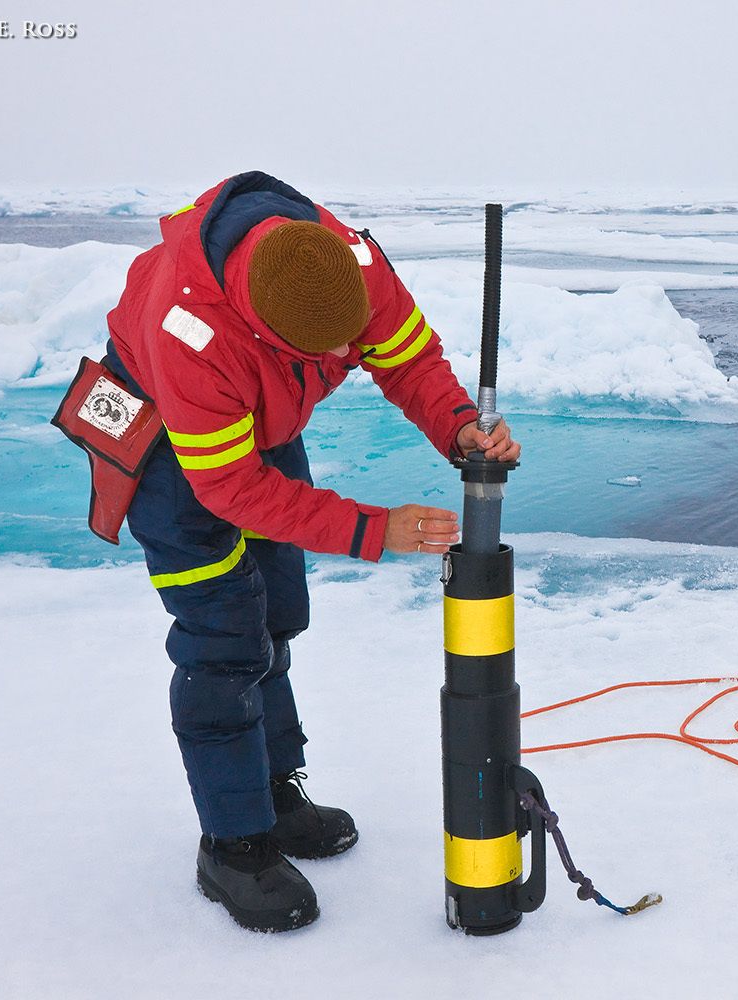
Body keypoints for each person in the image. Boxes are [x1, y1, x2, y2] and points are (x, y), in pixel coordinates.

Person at [99, 171, 520, 933]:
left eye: (347, 339)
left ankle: (274, 790)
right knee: (223, 635)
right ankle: (234, 845)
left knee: (277, 611)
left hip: (258, 416)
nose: (343, 355)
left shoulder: (343, 265)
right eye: (322, 350)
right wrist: (371, 529)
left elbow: (409, 360)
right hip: (169, 435)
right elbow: (230, 489)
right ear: (264, 327)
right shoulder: (189, 335)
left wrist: (459, 427)